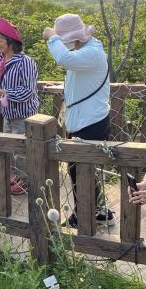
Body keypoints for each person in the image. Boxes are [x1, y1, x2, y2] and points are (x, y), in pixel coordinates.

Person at [43, 13, 113, 226]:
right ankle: (98, 212)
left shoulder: (91, 53)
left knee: (81, 170)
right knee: (82, 170)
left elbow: (64, 59)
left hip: (91, 122)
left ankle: (83, 217)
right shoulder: (86, 51)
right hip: (85, 120)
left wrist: (52, 37)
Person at [0, 18, 39, 195]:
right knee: (11, 147)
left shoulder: (26, 62)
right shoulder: (0, 61)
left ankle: (27, 181)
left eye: (1, 40)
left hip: (23, 113)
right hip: (7, 112)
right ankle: (19, 176)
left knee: (23, 150)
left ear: (11, 41)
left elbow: (28, 91)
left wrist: (4, 93)